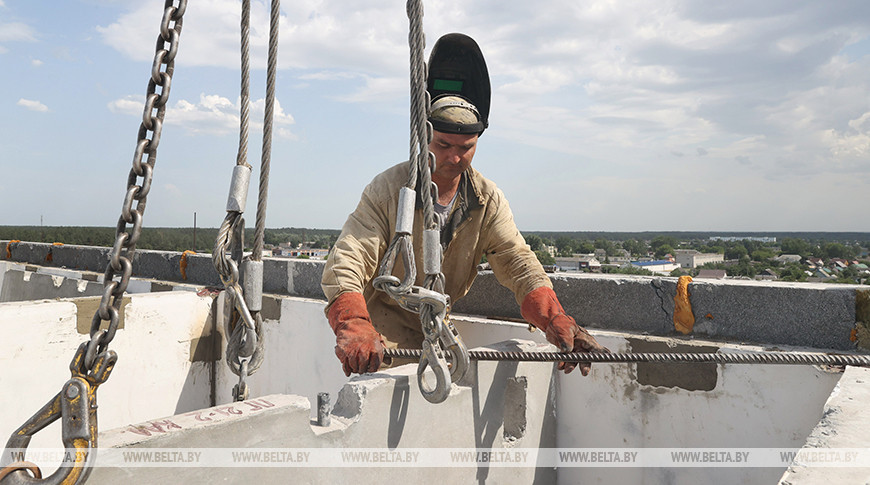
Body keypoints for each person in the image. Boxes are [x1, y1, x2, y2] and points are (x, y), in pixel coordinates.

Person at [320, 34, 607, 378]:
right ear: (424, 136)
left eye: (466, 147)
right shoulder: (388, 191)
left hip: (438, 341)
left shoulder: (485, 200)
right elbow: (347, 261)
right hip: (380, 347)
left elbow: (518, 263)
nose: (455, 157)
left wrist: (556, 319)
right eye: (443, 145)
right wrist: (353, 324)